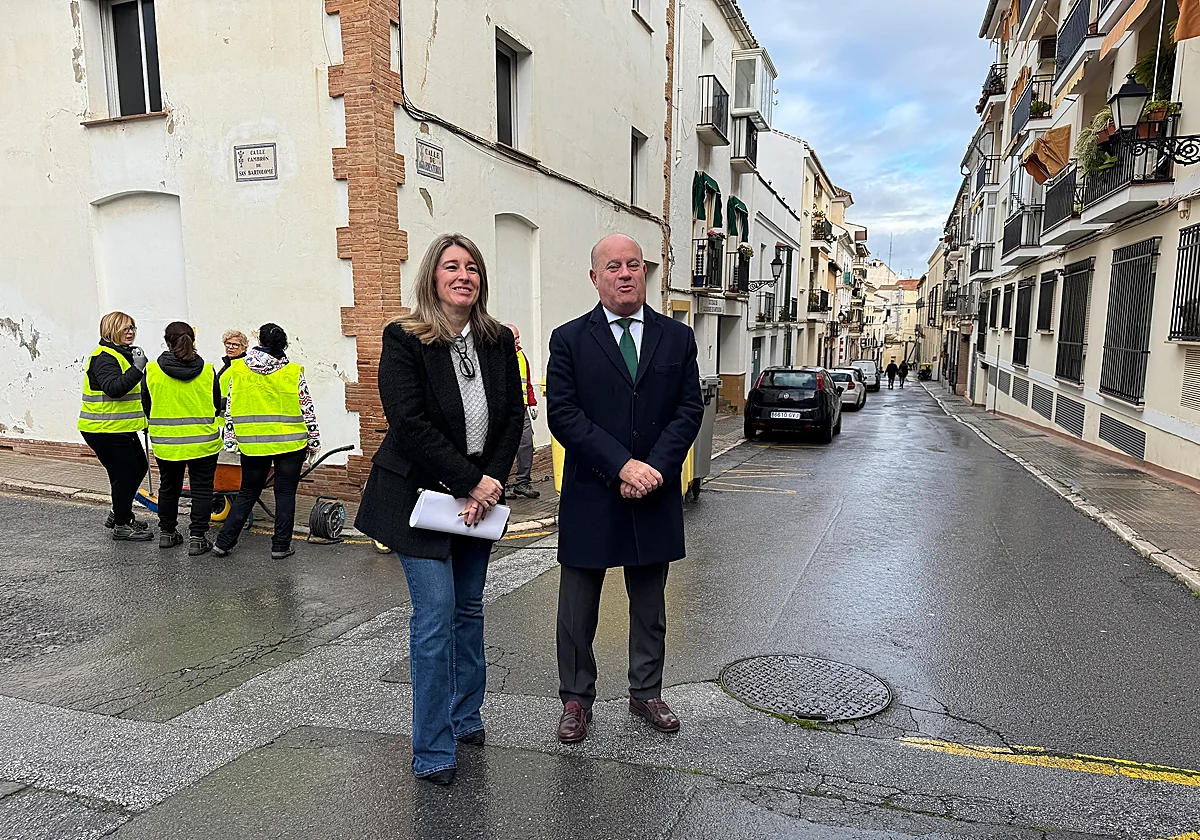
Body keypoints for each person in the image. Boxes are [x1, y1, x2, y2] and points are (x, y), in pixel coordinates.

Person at [355, 233, 524, 786]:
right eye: (452, 266)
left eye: (472, 267)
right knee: (435, 618)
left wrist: (490, 483)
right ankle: (432, 748)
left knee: (469, 612)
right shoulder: (405, 338)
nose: (463, 275)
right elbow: (409, 423)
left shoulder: (497, 341)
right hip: (421, 499)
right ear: (432, 276)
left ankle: (465, 715)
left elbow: (510, 421)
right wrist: (470, 482)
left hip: (477, 499)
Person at [547, 233, 704, 745]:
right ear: (595, 278)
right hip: (593, 493)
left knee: (650, 606)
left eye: (634, 264)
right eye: (613, 266)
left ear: (645, 273)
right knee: (577, 610)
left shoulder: (676, 338)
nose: (625, 273)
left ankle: (646, 691)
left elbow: (689, 410)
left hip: (653, 492)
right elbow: (563, 416)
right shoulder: (568, 339)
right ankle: (576, 699)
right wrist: (622, 466)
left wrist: (654, 468)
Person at [212, 323, 320, 560]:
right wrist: (313, 440)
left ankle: (223, 542)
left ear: (259, 342)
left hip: (254, 444)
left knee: (248, 492)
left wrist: (230, 440)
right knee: (285, 494)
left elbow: (230, 407)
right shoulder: (292, 371)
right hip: (291, 444)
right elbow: (306, 408)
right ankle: (280, 546)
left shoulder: (239, 369)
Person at [141, 322, 223, 556]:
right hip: (203, 442)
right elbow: (216, 405)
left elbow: (147, 405)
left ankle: (167, 533)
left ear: (167, 342)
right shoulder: (207, 370)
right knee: (202, 490)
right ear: (193, 342)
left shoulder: (152, 370)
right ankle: (197, 538)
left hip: (167, 442)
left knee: (169, 487)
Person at [79, 311, 152, 541]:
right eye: (125, 328)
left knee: (137, 468)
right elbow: (114, 388)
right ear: (111, 330)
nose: (130, 332)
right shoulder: (104, 357)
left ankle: (120, 512)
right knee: (127, 473)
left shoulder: (123, 354)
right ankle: (121, 524)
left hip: (119, 427)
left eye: (132, 328)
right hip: (103, 429)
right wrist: (137, 368)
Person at [503, 323, 540, 499]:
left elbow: (527, 381)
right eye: (515, 337)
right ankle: (502, 484)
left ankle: (522, 483)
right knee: (504, 447)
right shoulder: (496, 355)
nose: (518, 340)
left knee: (526, 445)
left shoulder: (520, 355)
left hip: (522, 410)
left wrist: (532, 402)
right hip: (504, 411)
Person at [215, 329, 249, 411]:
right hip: (221, 418)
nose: (230, 347)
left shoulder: (244, 366)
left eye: (235, 345)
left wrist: (220, 403)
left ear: (244, 348)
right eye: (228, 343)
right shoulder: (227, 365)